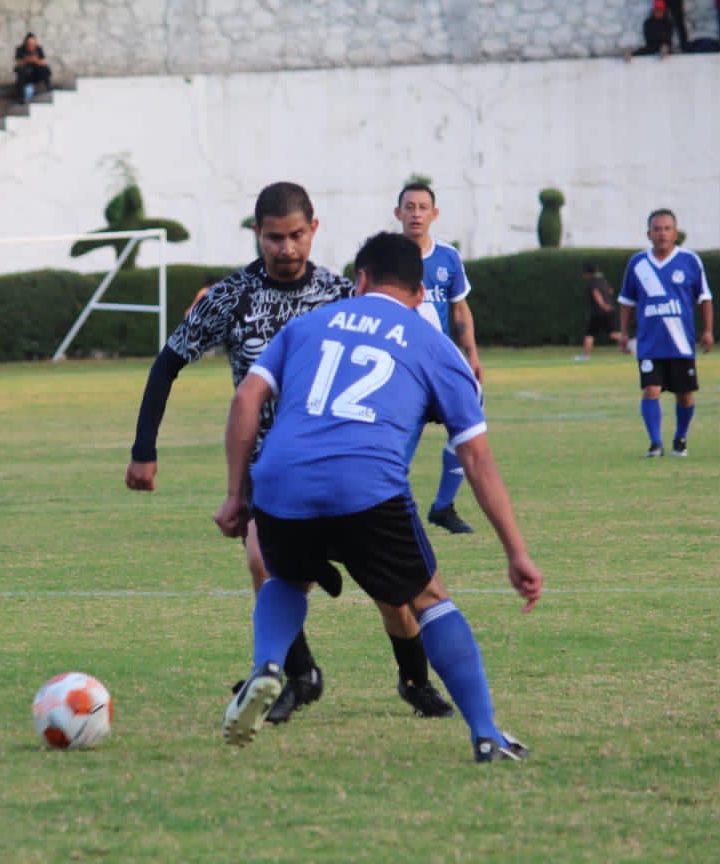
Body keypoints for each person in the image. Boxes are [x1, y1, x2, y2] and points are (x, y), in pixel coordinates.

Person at [125, 182, 454, 725]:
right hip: (268, 470)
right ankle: (296, 674)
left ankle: (415, 679)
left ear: (314, 230)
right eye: (274, 238)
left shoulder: (343, 293)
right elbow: (168, 363)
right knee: (263, 563)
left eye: (296, 235)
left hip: (345, 461)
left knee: (391, 592)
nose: (286, 248)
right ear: (258, 234)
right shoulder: (230, 297)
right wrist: (144, 449)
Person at [214, 231, 544, 760]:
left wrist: (236, 493)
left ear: (359, 280)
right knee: (430, 600)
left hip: (281, 479)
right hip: (366, 485)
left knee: (286, 579)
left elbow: (248, 395)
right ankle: (486, 734)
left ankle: (270, 664)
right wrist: (516, 553)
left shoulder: (306, 326)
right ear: (418, 293)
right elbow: (475, 458)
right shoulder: (434, 344)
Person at [394, 182, 481, 535]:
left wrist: (472, 353)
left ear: (434, 213)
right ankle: (391, 512)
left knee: (467, 428)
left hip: (443, 367)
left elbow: (459, 309)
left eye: (422, 207)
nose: (416, 213)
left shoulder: (448, 257)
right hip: (401, 369)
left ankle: (444, 506)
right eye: (409, 207)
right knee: (396, 448)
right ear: (398, 213)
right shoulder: (385, 258)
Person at [617, 209, 714, 458]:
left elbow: (704, 298)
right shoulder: (638, 263)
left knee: (685, 396)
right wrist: (624, 333)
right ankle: (655, 443)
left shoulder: (690, 261)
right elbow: (627, 301)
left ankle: (680, 438)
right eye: (657, 229)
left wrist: (708, 331)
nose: (662, 233)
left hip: (681, 342)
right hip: (650, 341)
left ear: (676, 233)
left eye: (667, 228)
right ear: (649, 233)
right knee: (651, 389)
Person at [575, 261, 621, 361]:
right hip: (611, 310)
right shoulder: (603, 280)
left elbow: (596, 293)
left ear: (588, 273)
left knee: (589, 334)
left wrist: (603, 305)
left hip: (599, 312)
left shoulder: (593, 281)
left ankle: (585, 356)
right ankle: (631, 343)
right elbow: (610, 291)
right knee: (613, 333)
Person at [14, 34, 52, 103]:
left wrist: (35, 60)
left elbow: (43, 62)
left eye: (33, 44)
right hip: (25, 74)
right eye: (29, 44)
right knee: (20, 72)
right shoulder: (20, 49)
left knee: (45, 69)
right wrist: (26, 60)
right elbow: (18, 63)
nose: (31, 46)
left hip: (36, 73)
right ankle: (21, 98)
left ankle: (49, 89)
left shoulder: (39, 49)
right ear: (26, 43)